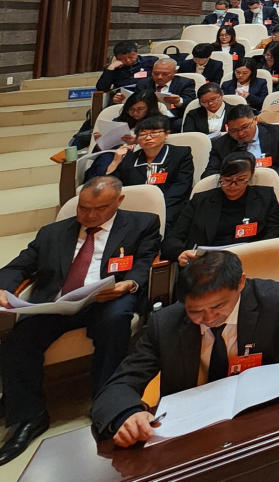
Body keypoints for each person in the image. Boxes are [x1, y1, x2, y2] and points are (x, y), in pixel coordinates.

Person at [91, 249, 279, 445]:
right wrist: (127, 415)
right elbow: (118, 385)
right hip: (194, 431)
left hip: (265, 417)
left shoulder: (274, 299)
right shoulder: (165, 323)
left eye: (218, 306)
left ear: (241, 283)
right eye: (195, 311)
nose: (208, 318)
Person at [0, 176, 161, 463]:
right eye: (83, 208)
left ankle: (106, 404)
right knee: (18, 339)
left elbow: (144, 262)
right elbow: (18, 266)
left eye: (99, 209)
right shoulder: (52, 232)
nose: (90, 215)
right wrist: (3, 288)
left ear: (119, 201)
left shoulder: (142, 223)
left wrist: (129, 284)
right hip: (60, 301)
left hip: (108, 297)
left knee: (116, 321)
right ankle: (30, 416)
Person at [162, 152, 279, 264]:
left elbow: (273, 232)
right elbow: (173, 237)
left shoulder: (265, 197)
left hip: (251, 260)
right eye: (227, 181)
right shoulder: (200, 200)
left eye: (240, 180)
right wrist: (180, 253)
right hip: (207, 264)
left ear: (250, 177)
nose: (232, 186)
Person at [103, 116, 194, 231]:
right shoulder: (130, 159)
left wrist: (157, 206)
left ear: (166, 134)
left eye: (154, 133)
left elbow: (181, 186)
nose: (148, 138)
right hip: (136, 207)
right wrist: (115, 162)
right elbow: (113, 186)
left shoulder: (181, 154)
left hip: (171, 205)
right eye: (143, 134)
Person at [205, 104, 279, 202]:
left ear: (255, 120)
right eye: (234, 130)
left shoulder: (278, 132)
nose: (241, 133)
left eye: (245, 127)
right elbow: (210, 172)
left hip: (276, 185)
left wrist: (272, 180)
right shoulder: (220, 144)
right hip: (236, 190)